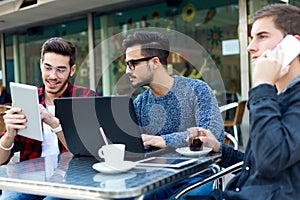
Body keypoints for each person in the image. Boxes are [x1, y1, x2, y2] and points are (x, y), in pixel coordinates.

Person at [187, 4, 300, 199]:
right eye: (251, 38)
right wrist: (219, 149)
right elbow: (256, 167)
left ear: (294, 44)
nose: (250, 47)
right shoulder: (280, 97)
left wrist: (263, 85)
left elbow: (270, 159)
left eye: (262, 36)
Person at [122, 31, 224, 198]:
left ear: (155, 62)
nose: (127, 71)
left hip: (195, 177)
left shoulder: (197, 90)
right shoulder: (139, 102)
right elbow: (137, 148)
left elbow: (213, 136)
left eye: (132, 64)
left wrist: (163, 140)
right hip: (154, 178)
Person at [0, 37, 97, 200]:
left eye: (60, 69)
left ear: (72, 70)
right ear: (40, 65)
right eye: (48, 68)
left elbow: (89, 152)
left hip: (72, 180)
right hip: (31, 180)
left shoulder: (84, 99)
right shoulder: (28, 99)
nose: (52, 76)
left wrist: (54, 123)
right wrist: (9, 135)